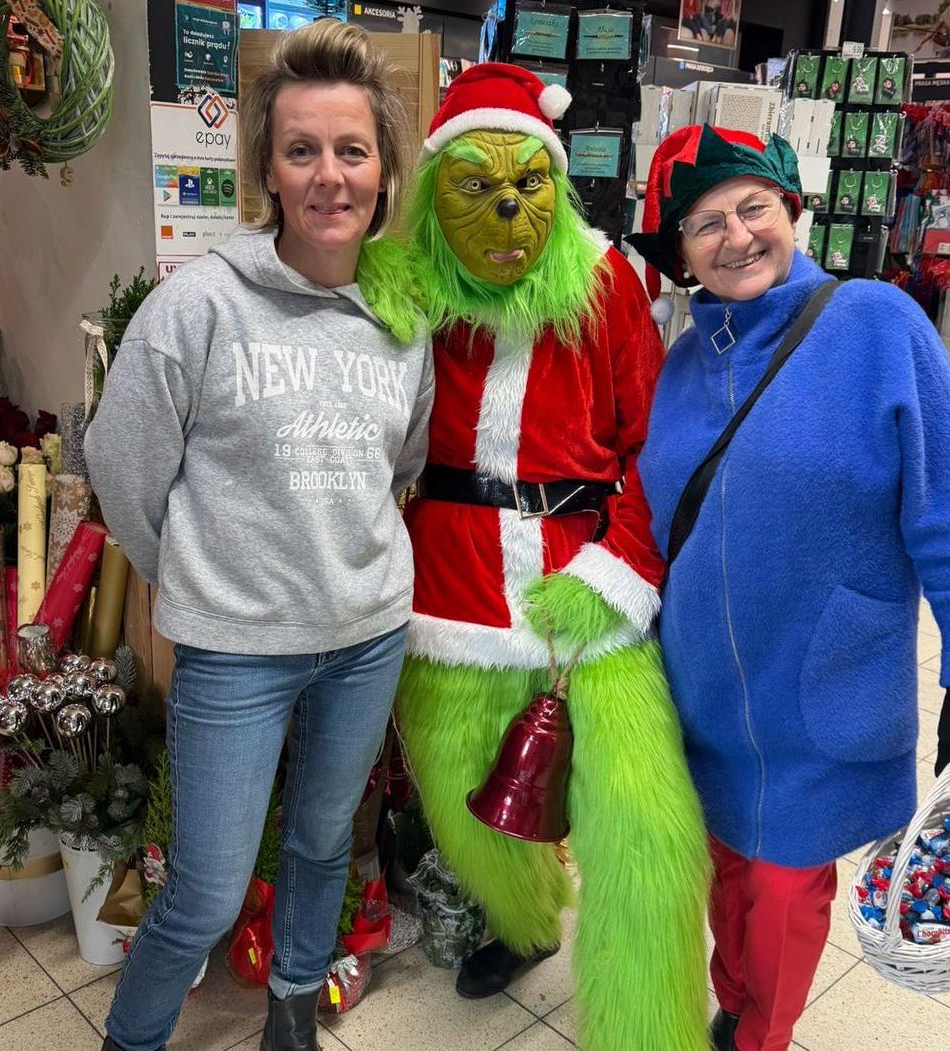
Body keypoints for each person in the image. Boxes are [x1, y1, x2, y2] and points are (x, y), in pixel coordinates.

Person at [84, 20, 433, 1051]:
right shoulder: (196, 307)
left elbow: (400, 464)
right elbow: (122, 467)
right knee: (204, 888)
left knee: (324, 842)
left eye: (352, 150)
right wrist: (203, 576)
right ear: (268, 171)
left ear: (383, 169)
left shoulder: (403, 319)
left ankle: (292, 1010)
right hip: (236, 652)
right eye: (302, 150)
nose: (330, 175)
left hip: (365, 635)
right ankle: (131, 1039)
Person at [628, 124, 950, 1051]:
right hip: (701, 686)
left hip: (819, 682)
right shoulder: (681, 362)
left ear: (790, 211)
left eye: (752, 208)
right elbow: (656, 515)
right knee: (726, 867)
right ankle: (735, 1002)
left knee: (784, 886)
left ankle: (762, 1034)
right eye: (705, 224)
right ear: (681, 254)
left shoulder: (877, 323)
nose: (736, 236)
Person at [390, 65, 710, 1051]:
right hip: (450, 592)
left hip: (588, 575)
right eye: (477, 185)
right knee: (465, 804)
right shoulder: (401, 284)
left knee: (643, 824)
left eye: (529, 183)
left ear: (556, 182)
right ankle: (526, 921)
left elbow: (654, 446)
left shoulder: (605, 282)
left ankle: (648, 1035)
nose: (507, 210)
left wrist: (620, 567)